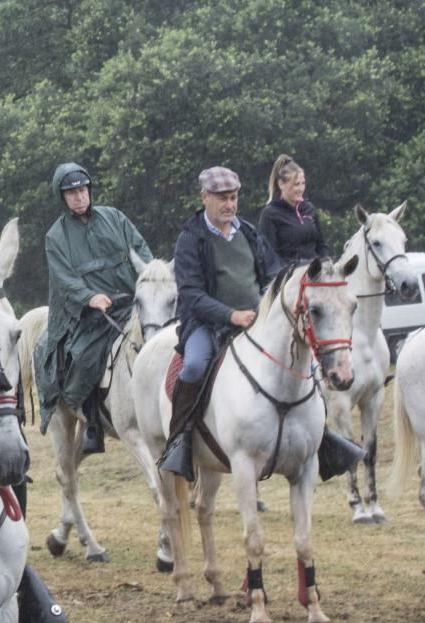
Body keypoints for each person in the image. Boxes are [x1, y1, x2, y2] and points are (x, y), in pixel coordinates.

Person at [158, 167, 277, 481]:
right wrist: (230, 315)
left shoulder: (250, 233)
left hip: (255, 323)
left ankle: (320, 436)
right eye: (222, 198)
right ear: (204, 198)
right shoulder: (190, 238)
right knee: (195, 366)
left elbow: (272, 276)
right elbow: (191, 294)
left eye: (234, 197)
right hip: (206, 326)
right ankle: (180, 442)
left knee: (298, 360)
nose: (229, 204)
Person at [37, 162, 153, 454]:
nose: (79, 196)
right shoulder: (56, 236)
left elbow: (141, 252)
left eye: (82, 189)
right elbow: (64, 279)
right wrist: (90, 297)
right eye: (71, 192)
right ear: (62, 197)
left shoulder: (115, 218)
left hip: (129, 302)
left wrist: (151, 279)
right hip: (89, 314)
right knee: (86, 358)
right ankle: (92, 424)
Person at [258, 154, 329, 266]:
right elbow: (270, 257)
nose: (301, 189)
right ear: (281, 184)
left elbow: (321, 245)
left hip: (316, 272)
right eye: (296, 184)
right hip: (290, 276)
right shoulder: (270, 214)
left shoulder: (309, 208)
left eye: (303, 183)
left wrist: (326, 264)